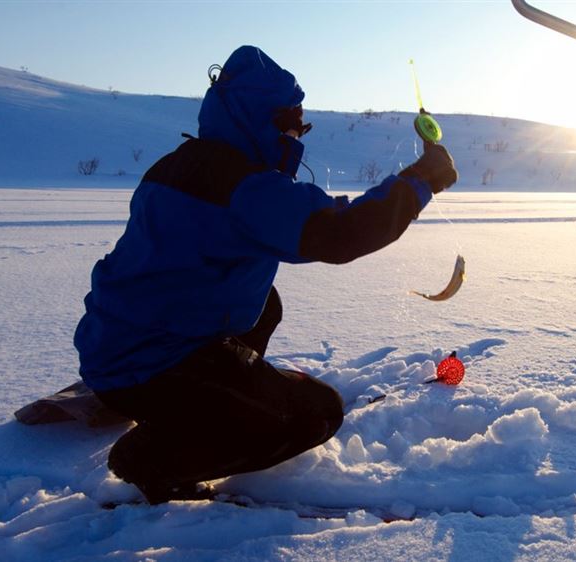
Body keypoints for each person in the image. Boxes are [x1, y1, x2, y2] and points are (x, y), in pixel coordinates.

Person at [73, 45, 458, 504]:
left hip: (116, 338)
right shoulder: (243, 186)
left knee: (262, 300)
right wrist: (420, 180)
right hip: (144, 363)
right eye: (294, 125)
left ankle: (211, 397)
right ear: (266, 122)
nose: (299, 136)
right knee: (318, 414)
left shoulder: (181, 164)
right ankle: (154, 457)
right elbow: (340, 234)